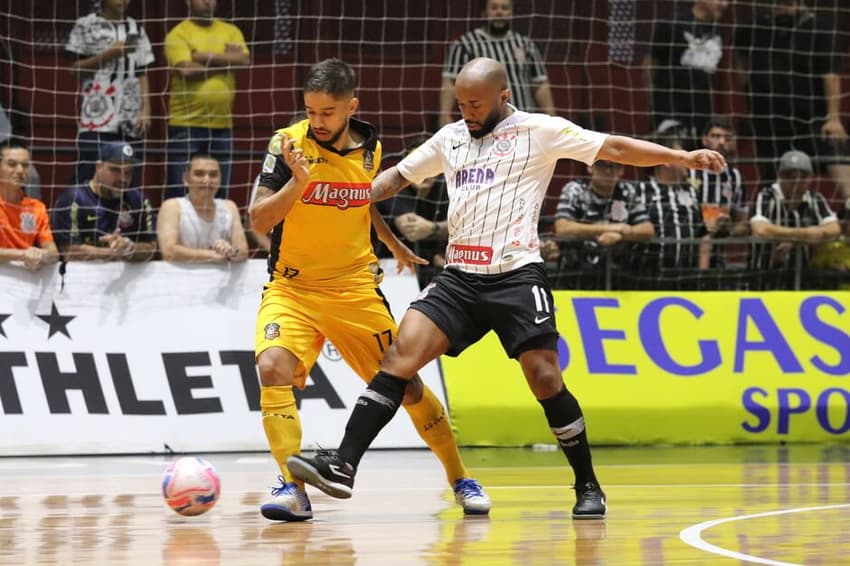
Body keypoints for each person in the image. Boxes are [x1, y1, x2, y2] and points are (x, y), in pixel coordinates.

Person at [286, 57, 726, 519]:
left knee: (545, 378)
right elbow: (397, 177)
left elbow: (614, 148)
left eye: (475, 104)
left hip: (516, 275)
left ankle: (588, 484)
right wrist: (347, 193)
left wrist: (679, 156)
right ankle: (343, 465)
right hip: (458, 277)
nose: (467, 112)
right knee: (398, 359)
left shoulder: (540, 130)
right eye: (460, 104)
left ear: (503, 96)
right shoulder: (451, 137)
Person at [249, 58, 491, 522]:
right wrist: (298, 184)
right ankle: (292, 488)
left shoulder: (371, 147)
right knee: (272, 367)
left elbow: (359, 198)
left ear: (351, 107)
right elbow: (259, 219)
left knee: (408, 388)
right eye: (311, 111)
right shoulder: (286, 145)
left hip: (355, 288)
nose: (317, 122)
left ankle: (461, 478)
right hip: (293, 287)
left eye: (328, 113)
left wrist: (392, 240)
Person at [734, 0, 850, 198]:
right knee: (771, 173)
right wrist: (749, 88)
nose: (781, 8)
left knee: (836, 157)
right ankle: (770, 214)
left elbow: (830, 75)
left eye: (786, 4)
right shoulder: (755, 25)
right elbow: (739, 57)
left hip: (812, 115)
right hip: (768, 116)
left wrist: (833, 118)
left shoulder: (818, 30)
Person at [164, 0, 251, 199]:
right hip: (185, 124)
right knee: (180, 190)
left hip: (222, 124)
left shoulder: (230, 31)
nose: (207, 2)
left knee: (219, 191)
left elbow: (244, 60)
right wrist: (226, 61)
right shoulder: (178, 33)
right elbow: (187, 70)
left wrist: (202, 56)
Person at [65, 0, 154, 187]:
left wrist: (146, 109)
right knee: (87, 175)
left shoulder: (136, 27)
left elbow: (142, 71)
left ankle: (125, 217)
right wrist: (108, 55)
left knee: (129, 179)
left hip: (130, 118)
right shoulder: (85, 25)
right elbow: (74, 69)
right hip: (96, 118)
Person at [440, 0, 554, 126]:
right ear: (484, 13)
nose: (499, 12)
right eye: (494, 8)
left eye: (504, 8)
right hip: (485, 124)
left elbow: (540, 83)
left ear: (511, 13)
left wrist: (552, 118)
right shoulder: (465, 45)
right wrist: (444, 116)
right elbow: (450, 82)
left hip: (523, 123)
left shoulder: (525, 44)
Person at [51, 142, 156, 261]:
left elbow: (151, 248)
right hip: (81, 276)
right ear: (99, 167)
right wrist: (113, 252)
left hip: (128, 277)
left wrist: (129, 247)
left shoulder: (139, 200)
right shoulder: (74, 199)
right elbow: (69, 251)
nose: (123, 179)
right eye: (115, 170)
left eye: (128, 172)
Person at [644, 0, 729, 144]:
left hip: (701, 110)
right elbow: (651, 64)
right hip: (670, 107)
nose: (724, 4)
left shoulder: (719, 30)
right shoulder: (672, 24)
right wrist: (653, 99)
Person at [749, 150, 840, 278]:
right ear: (779, 176)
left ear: (811, 178)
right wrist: (806, 235)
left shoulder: (815, 198)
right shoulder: (766, 195)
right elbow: (760, 230)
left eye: (803, 176)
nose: (796, 181)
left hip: (803, 276)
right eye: (789, 175)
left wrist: (784, 236)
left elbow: (834, 229)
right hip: (763, 275)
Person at [554, 160, 654, 273]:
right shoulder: (575, 190)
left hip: (619, 275)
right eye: (601, 165)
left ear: (622, 170)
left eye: (615, 166)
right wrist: (616, 228)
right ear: (590, 167)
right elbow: (562, 228)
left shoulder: (627, 191)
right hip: (575, 273)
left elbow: (648, 229)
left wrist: (621, 235)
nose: (608, 171)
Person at [634, 136, 712, 277]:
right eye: (682, 156)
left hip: (687, 276)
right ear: (667, 161)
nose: (688, 162)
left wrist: (703, 273)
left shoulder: (691, 191)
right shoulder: (640, 190)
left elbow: (702, 234)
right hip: (646, 276)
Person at [157, 153, 248, 263]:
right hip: (180, 277)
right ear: (186, 179)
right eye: (199, 174)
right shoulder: (173, 206)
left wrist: (230, 251)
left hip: (219, 277)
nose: (207, 181)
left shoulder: (230, 206)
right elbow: (169, 251)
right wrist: (212, 255)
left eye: (213, 175)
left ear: (220, 179)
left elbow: (243, 251)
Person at [689, 117, 748, 267]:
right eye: (716, 136)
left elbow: (743, 223)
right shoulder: (688, 172)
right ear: (704, 140)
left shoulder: (736, 178)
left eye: (728, 138)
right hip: (684, 251)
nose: (722, 142)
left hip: (719, 257)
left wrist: (729, 229)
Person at [0, 139, 58, 270]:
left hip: (24, 283)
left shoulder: (37, 207)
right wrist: (22, 254)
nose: (20, 170)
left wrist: (42, 255)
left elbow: (53, 252)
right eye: (12, 164)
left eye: (25, 165)